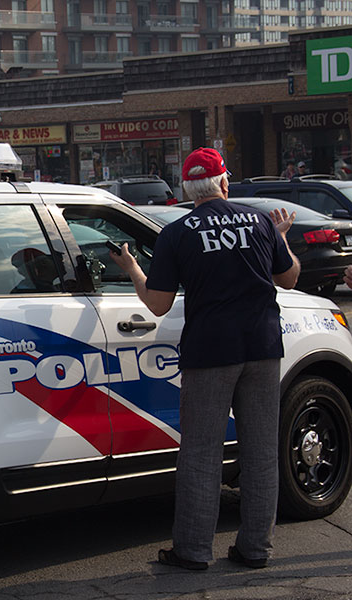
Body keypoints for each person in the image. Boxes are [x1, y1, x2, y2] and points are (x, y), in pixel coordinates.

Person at [109, 147, 300, 571]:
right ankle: (256, 549)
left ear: (186, 190)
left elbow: (158, 304)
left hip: (210, 352)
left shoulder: (177, 234)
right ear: (224, 183)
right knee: (261, 451)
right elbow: (288, 277)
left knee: (201, 453)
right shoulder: (259, 222)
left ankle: (193, 551)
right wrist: (281, 238)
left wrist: (133, 269)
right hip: (263, 348)